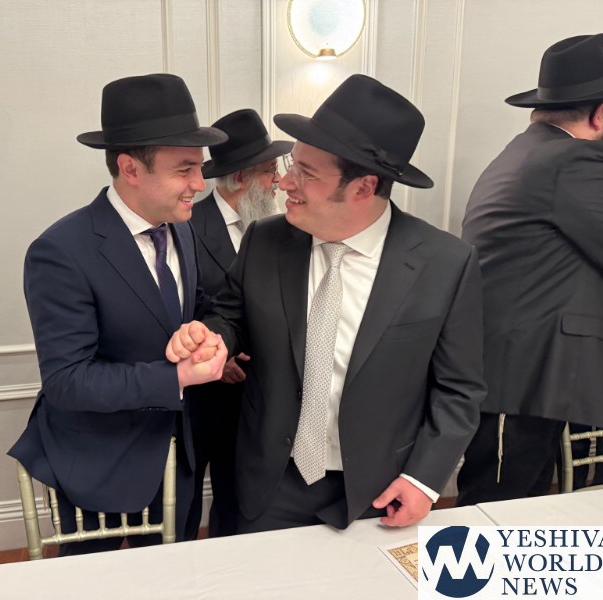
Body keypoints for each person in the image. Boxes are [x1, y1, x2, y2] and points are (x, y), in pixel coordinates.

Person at [167, 74, 486, 533]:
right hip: (269, 483)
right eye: (291, 166)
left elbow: (460, 389)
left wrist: (424, 479)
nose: (286, 183)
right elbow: (230, 316)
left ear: (363, 187)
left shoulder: (445, 263)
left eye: (306, 173)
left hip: (382, 488)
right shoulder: (265, 240)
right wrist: (212, 336)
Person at [8, 73, 229, 554]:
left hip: (180, 456)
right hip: (98, 463)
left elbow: (200, 306)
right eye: (185, 169)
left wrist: (208, 334)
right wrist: (176, 378)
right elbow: (67, 380)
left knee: (174, 576)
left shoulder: (181, 228)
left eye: (199, 168)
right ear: (130, 168)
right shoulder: (60, 251)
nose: (199, 183)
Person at [456, 33, 603, 505]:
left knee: (512, 505)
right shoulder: (575, 159)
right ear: (600, 114)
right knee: (495, 511)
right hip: (520, 378)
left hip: (513, 374)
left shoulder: (528, 151)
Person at [185, 109, 292, 538]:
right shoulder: (186, 226)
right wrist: (218, 354)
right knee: (187, 497)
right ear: (241, 177)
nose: (278, 181)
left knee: (239, 499)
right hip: (202, 397)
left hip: (258, 396)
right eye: (269, 172)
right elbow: (181, 305)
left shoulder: (279, 231)